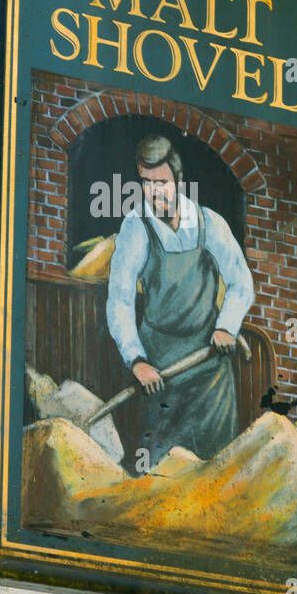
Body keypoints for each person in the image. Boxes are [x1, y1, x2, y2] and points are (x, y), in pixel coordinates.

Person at [106, 133, 254, 466]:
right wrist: (137, 360)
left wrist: (227, 327)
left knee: (217, 467)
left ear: (178, 180)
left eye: (161, 182)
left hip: (209, 370)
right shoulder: (136, 228)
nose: (154, 191)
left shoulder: (209, 222)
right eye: (146, 182)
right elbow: (119, 300)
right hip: (160, 374)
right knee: (161, 472)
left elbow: (241, 282)